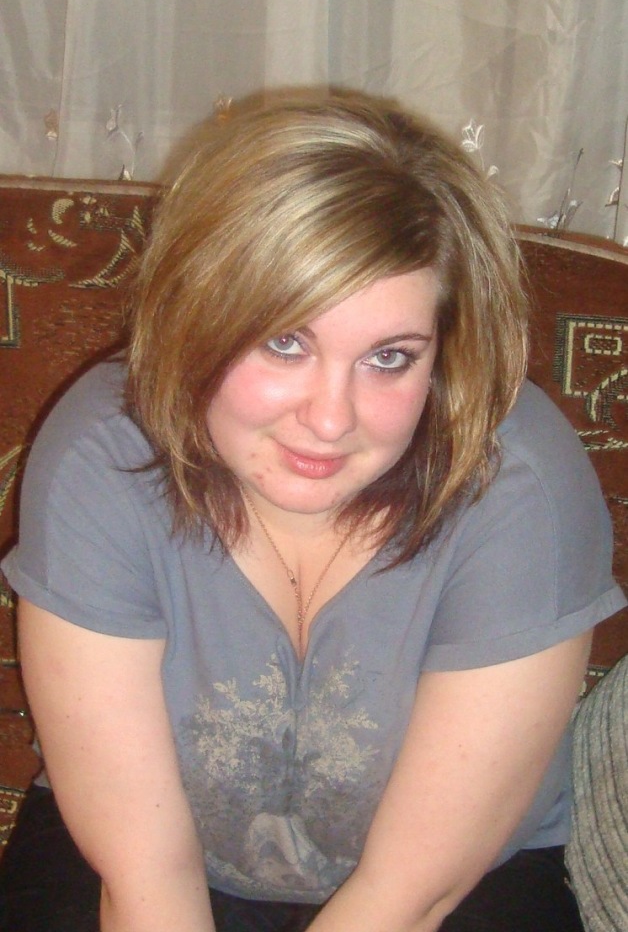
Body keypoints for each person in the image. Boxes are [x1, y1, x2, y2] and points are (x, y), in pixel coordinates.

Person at [0, 88, 624, 932]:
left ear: (444, 355)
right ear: (198, 315)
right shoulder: (102, 456)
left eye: (389, 357)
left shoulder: (519, 487)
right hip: (150, 855)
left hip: (443, 886)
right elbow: (146, 876)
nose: (331, 419)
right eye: (284, 342)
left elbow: (409, 895)